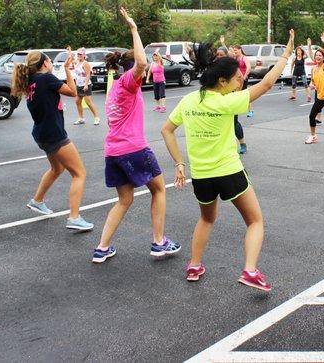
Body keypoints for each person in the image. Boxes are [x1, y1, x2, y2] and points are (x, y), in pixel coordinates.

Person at [161, 29, 296, 291]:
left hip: (201, 175)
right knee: (255, 221)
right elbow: (267, 84)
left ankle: (194, 265)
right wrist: (286, 54)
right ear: (222, 81)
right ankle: (250, 270)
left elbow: (166, 130)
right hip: (229, 172)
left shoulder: (189, 100)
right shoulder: (227, 103)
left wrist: (179, 163)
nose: (241, 80)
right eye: (236, 78)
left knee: (206, 219)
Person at [92, 7, 180, 264]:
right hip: (133, 149)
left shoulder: (116, 89)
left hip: (114, 152)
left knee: (125, 199)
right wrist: (134, 28)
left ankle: (102, 247)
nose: (148, 69)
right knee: (159, 189)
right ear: (133, 70)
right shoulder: (129, 84)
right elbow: (141, 63)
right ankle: (159, 242)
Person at [11, 51, 94, 231]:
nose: (51, 63)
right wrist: (67, 69)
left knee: (57, 168)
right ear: (45, 64)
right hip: (53, 134)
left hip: (41, 133)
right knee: (79, 173)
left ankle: (37, 201)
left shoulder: (31, 80)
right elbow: (73, 92)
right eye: (49, 60)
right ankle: (74, 217)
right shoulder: (46, 79)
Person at [231, 44, 251, 153]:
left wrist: (244, 76)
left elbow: (248, 67)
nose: (234, 52)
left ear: (239, 50)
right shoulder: (233, 60)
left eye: (235, 50)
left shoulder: (243, 58)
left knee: (234, 121)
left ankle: (243, 144)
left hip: (241, 81)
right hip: (230, 89)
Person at [73, 48, 100, 125]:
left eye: (80, 54)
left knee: (88, 102)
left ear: (84, 55)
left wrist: (85, 85)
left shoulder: (85, 63)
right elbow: (76, 74)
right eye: (78, 54)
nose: (79, 55)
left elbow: (88, 74)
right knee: (77, 101)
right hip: (78, 85)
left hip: (85, 85)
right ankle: (81, 118)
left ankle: (96, 117)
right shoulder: (77, 62)